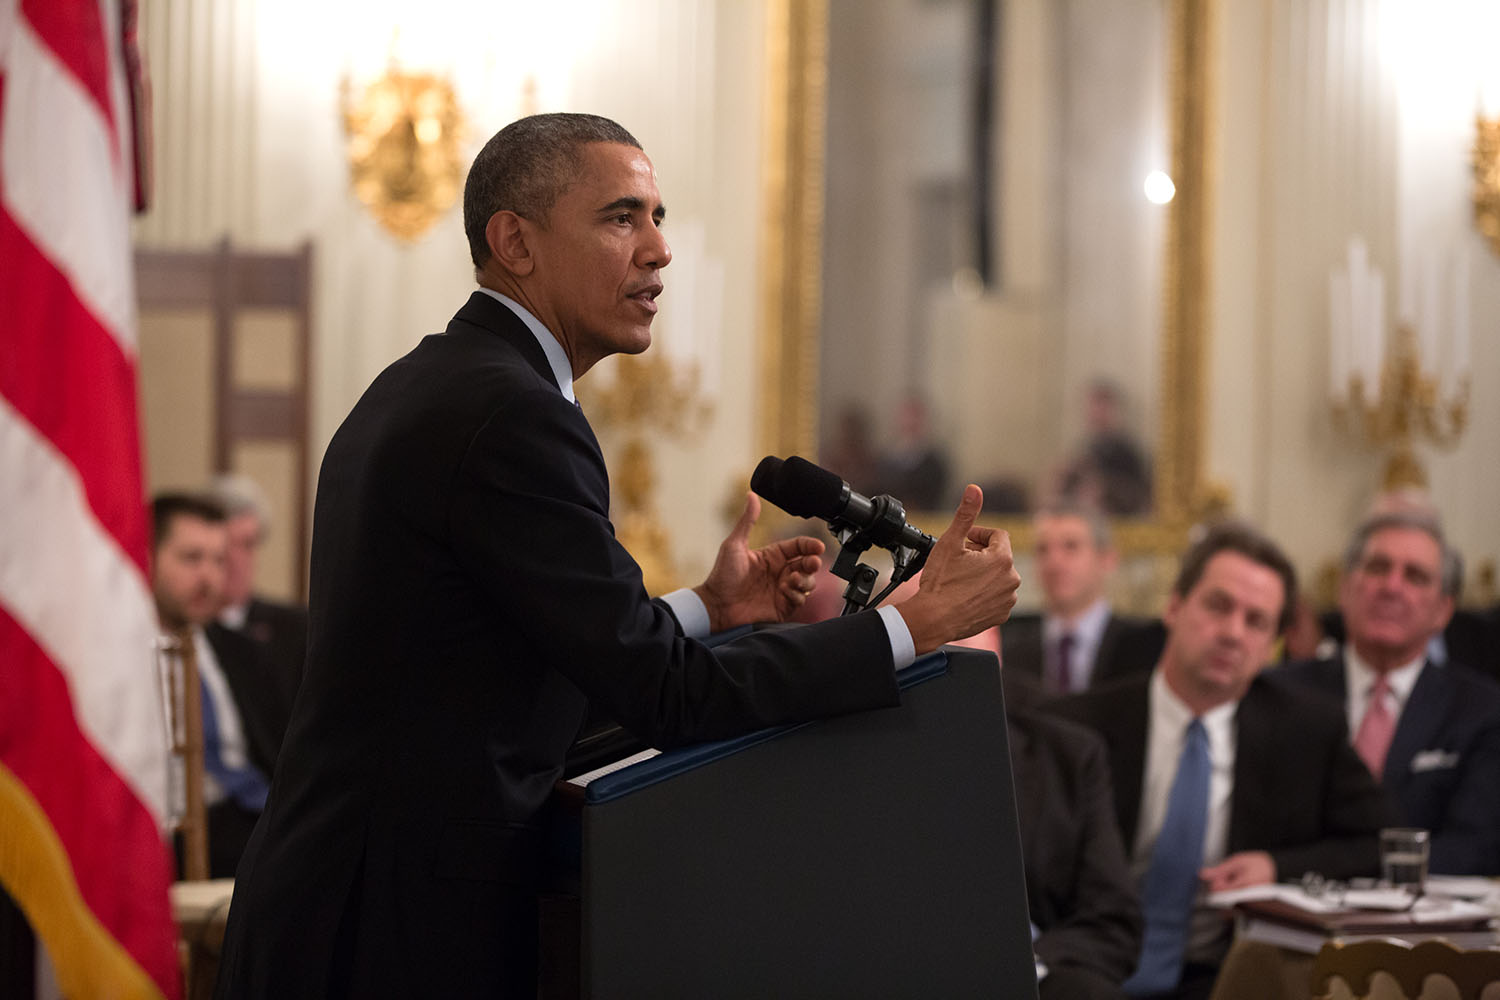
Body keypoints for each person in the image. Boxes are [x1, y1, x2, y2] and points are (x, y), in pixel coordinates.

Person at [214, 113, 1022, 999]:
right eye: (621, 217)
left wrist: (706, 611)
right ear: (514, 241)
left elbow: (488, 662)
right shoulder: (513, 417)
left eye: (659, 216)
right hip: (387, 934)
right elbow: (666, 694)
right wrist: (911, 626)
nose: (660, 250)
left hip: (342, 904)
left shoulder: (431, 382)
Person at [1051, 522, 1388, 1000]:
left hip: (1226, 977)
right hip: (1084, 974)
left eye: (1256, 622)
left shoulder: (1308, 731)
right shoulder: (1079, 724)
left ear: (1274, 641)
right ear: (1174, 605)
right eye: (1218, 606)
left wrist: (1277, 866)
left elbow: (1379, 842)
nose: (1233, 633)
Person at [1277, 512, 1500, 874]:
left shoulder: (1481, 710)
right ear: (1344, 589)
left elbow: (1473, 847)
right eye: (1378, 568)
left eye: (1415, 576)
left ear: (1443, 610)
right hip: (1287, 919)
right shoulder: (1282, 693)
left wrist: (1354, 869)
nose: (1392, 587)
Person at [151, 493, 284, 878]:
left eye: (219, 561)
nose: (209, 577)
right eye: (192, 558)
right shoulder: (114, 653)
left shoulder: (244, 652)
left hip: (253, 815)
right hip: (168, 828)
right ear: (148, 557)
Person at [1009, 703, 1143, 1000]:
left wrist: (1023, 963)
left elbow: (1112, 920)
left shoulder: (1069, 755)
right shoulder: (883, 746)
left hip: (1037, 969)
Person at [1002, 505, 1163, 693]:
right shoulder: (1009, 644)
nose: (1055, 562)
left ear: (1107, 559)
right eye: (1042, 550)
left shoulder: (1143, 645)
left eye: (1071, 546)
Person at [205, 473, 307, 713]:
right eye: (225, 544)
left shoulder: (296, 630)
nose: (234, 558)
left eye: (248, 544)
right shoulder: (185, 631)